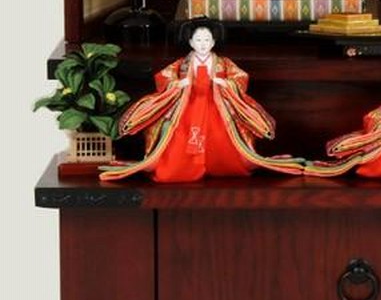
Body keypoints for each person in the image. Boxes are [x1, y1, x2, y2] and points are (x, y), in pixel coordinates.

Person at [99, 18, 304, 183]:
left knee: (222, 138)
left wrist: (226, 84)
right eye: (198, 40)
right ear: (190, 42)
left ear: (213, 42)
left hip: (216, 105)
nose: (203, 44)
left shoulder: (223, 63)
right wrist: (177, 84)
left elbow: (240, 77)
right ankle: (181, 168)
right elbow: (164, 77)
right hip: (187, 104)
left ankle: (222, 165)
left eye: (207, 40)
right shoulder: (182, 64)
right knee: (177, 135)